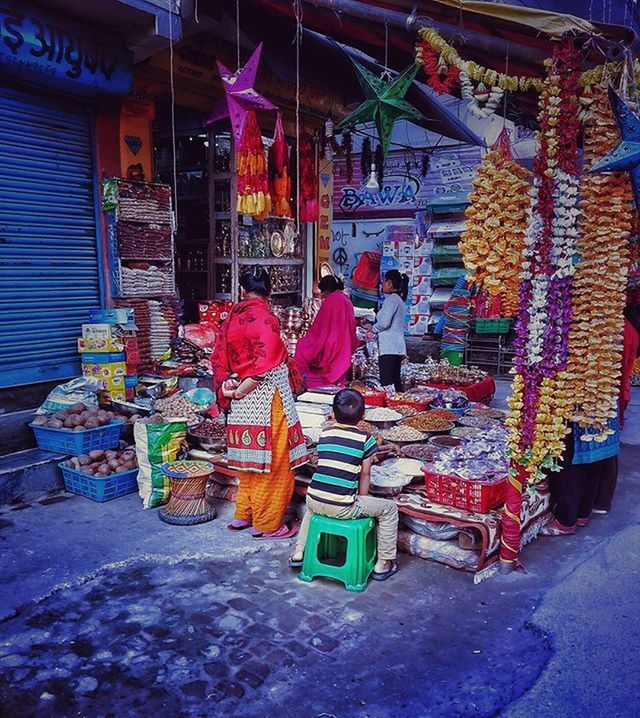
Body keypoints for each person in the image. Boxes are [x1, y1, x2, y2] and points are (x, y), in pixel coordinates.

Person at [211, 266, 309, 539]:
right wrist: (241, 391)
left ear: (242, 290)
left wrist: (228, 390)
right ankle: (268, 524)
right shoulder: (265, 318)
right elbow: (263, 368)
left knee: (250, 463)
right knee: (276, 464)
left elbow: (219, 358)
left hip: (242, 407)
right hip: (265, 400)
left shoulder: (232, 317)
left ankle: (244, 515)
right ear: (270, 291)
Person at [289, 389, 399, 581]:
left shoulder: (324, 434)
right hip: (342, 507)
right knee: (389, 509)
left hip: (313, 500)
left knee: (312, 511)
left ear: (332, 412)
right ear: (363, 415)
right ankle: (383, 564)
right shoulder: (366, 439)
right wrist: (363, 499)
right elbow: (364, 474)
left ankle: (299, 553)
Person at [593, 305, 640, 513]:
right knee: (608, 443)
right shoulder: (629, 329)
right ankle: (601, 499)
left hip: (612, 393)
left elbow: (619, 369)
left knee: (606, 444)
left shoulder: (621, 330)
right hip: (617, 392)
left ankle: (602, 500)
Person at [294, 275, 359, 389]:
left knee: (301, 346)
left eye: (323, 291)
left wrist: (305, 341)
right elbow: (352, 326)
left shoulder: (331, 300)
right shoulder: (346, 300)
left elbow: (321, 327)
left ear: (327, 290)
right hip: (344, 345)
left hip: (331, 344)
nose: (322, 295)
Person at [372, 269, 409, 391]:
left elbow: (384, 323)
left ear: (389, 283)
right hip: (396, 347)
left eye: (384, 281)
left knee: (387, 383)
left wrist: (372, 329)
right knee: (396, 381)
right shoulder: (399, 300)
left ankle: (389, 406)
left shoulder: (392, 299)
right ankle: (398, 405)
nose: (382, 284)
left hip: (389, 347)